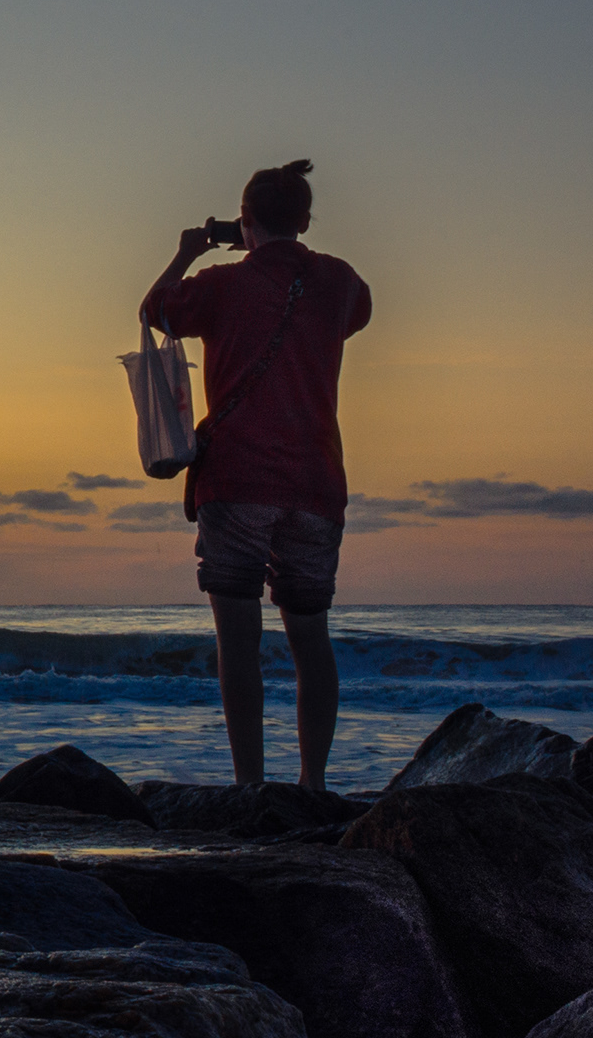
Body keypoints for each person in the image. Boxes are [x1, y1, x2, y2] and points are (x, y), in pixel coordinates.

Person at [139, 159, 372, 790]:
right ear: (304, 220)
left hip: (237, 480)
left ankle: (249, 787)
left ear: (244, 222)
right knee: (310, 641)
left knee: (238, 642)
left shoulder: (219, 286)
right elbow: (360, 314)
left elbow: (153, 310)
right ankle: (313, 786)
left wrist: (188, 252)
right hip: (316, 483)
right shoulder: (340, 282)